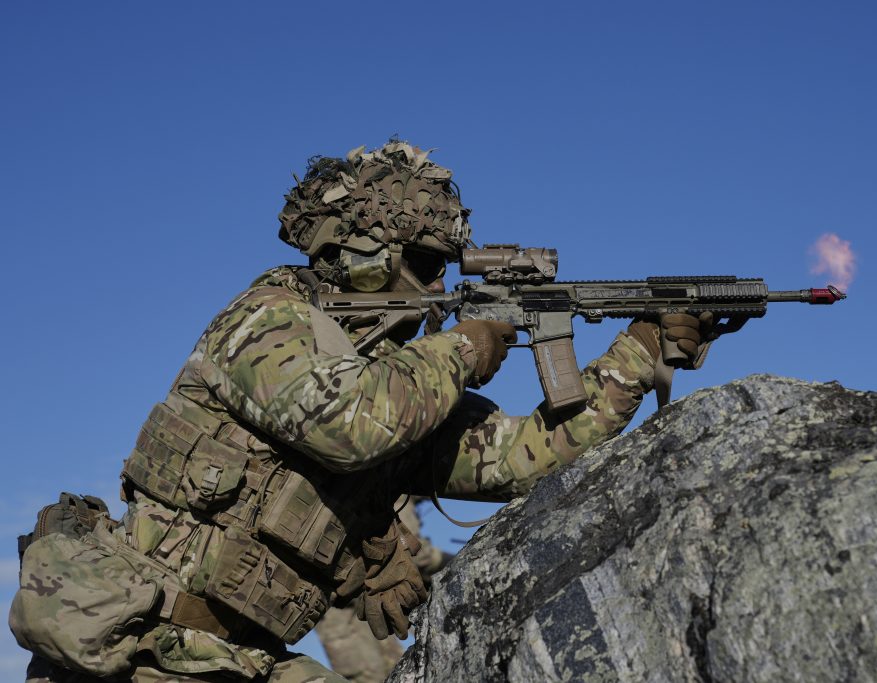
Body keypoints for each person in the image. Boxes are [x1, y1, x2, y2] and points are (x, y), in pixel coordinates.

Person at [10, 142, 713, 682]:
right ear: (367, 253)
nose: (439, 287)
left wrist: (642, 348)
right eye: (426, 265)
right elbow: (346, 425)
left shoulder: (402, 384)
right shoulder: (267, 320)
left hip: (244, 661)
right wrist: (462, 349)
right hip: (138, 652)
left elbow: (522, 456)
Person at [315, 498, 448, 683]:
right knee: (369, 672)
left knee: (388, 666)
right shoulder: (396, 495)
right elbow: (416, 557)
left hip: (365, 600)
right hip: (344, 605)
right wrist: (449, 562)